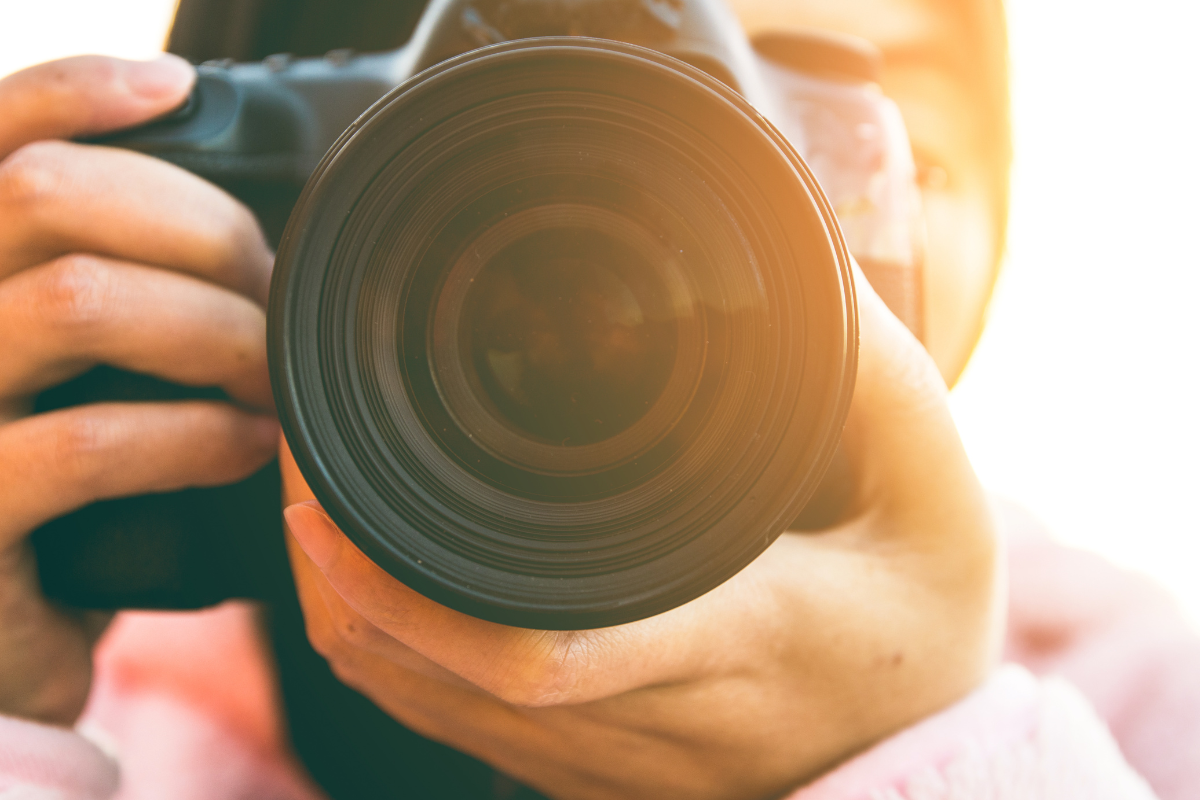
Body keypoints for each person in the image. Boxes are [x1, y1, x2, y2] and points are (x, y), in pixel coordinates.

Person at [0, 1, 1195, 798]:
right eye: (531, 121)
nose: (720, 215)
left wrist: (941, 747)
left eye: (876, 142)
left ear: (1001, 218)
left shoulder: (1147, 701)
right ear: (267, 217)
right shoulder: (110, 681)